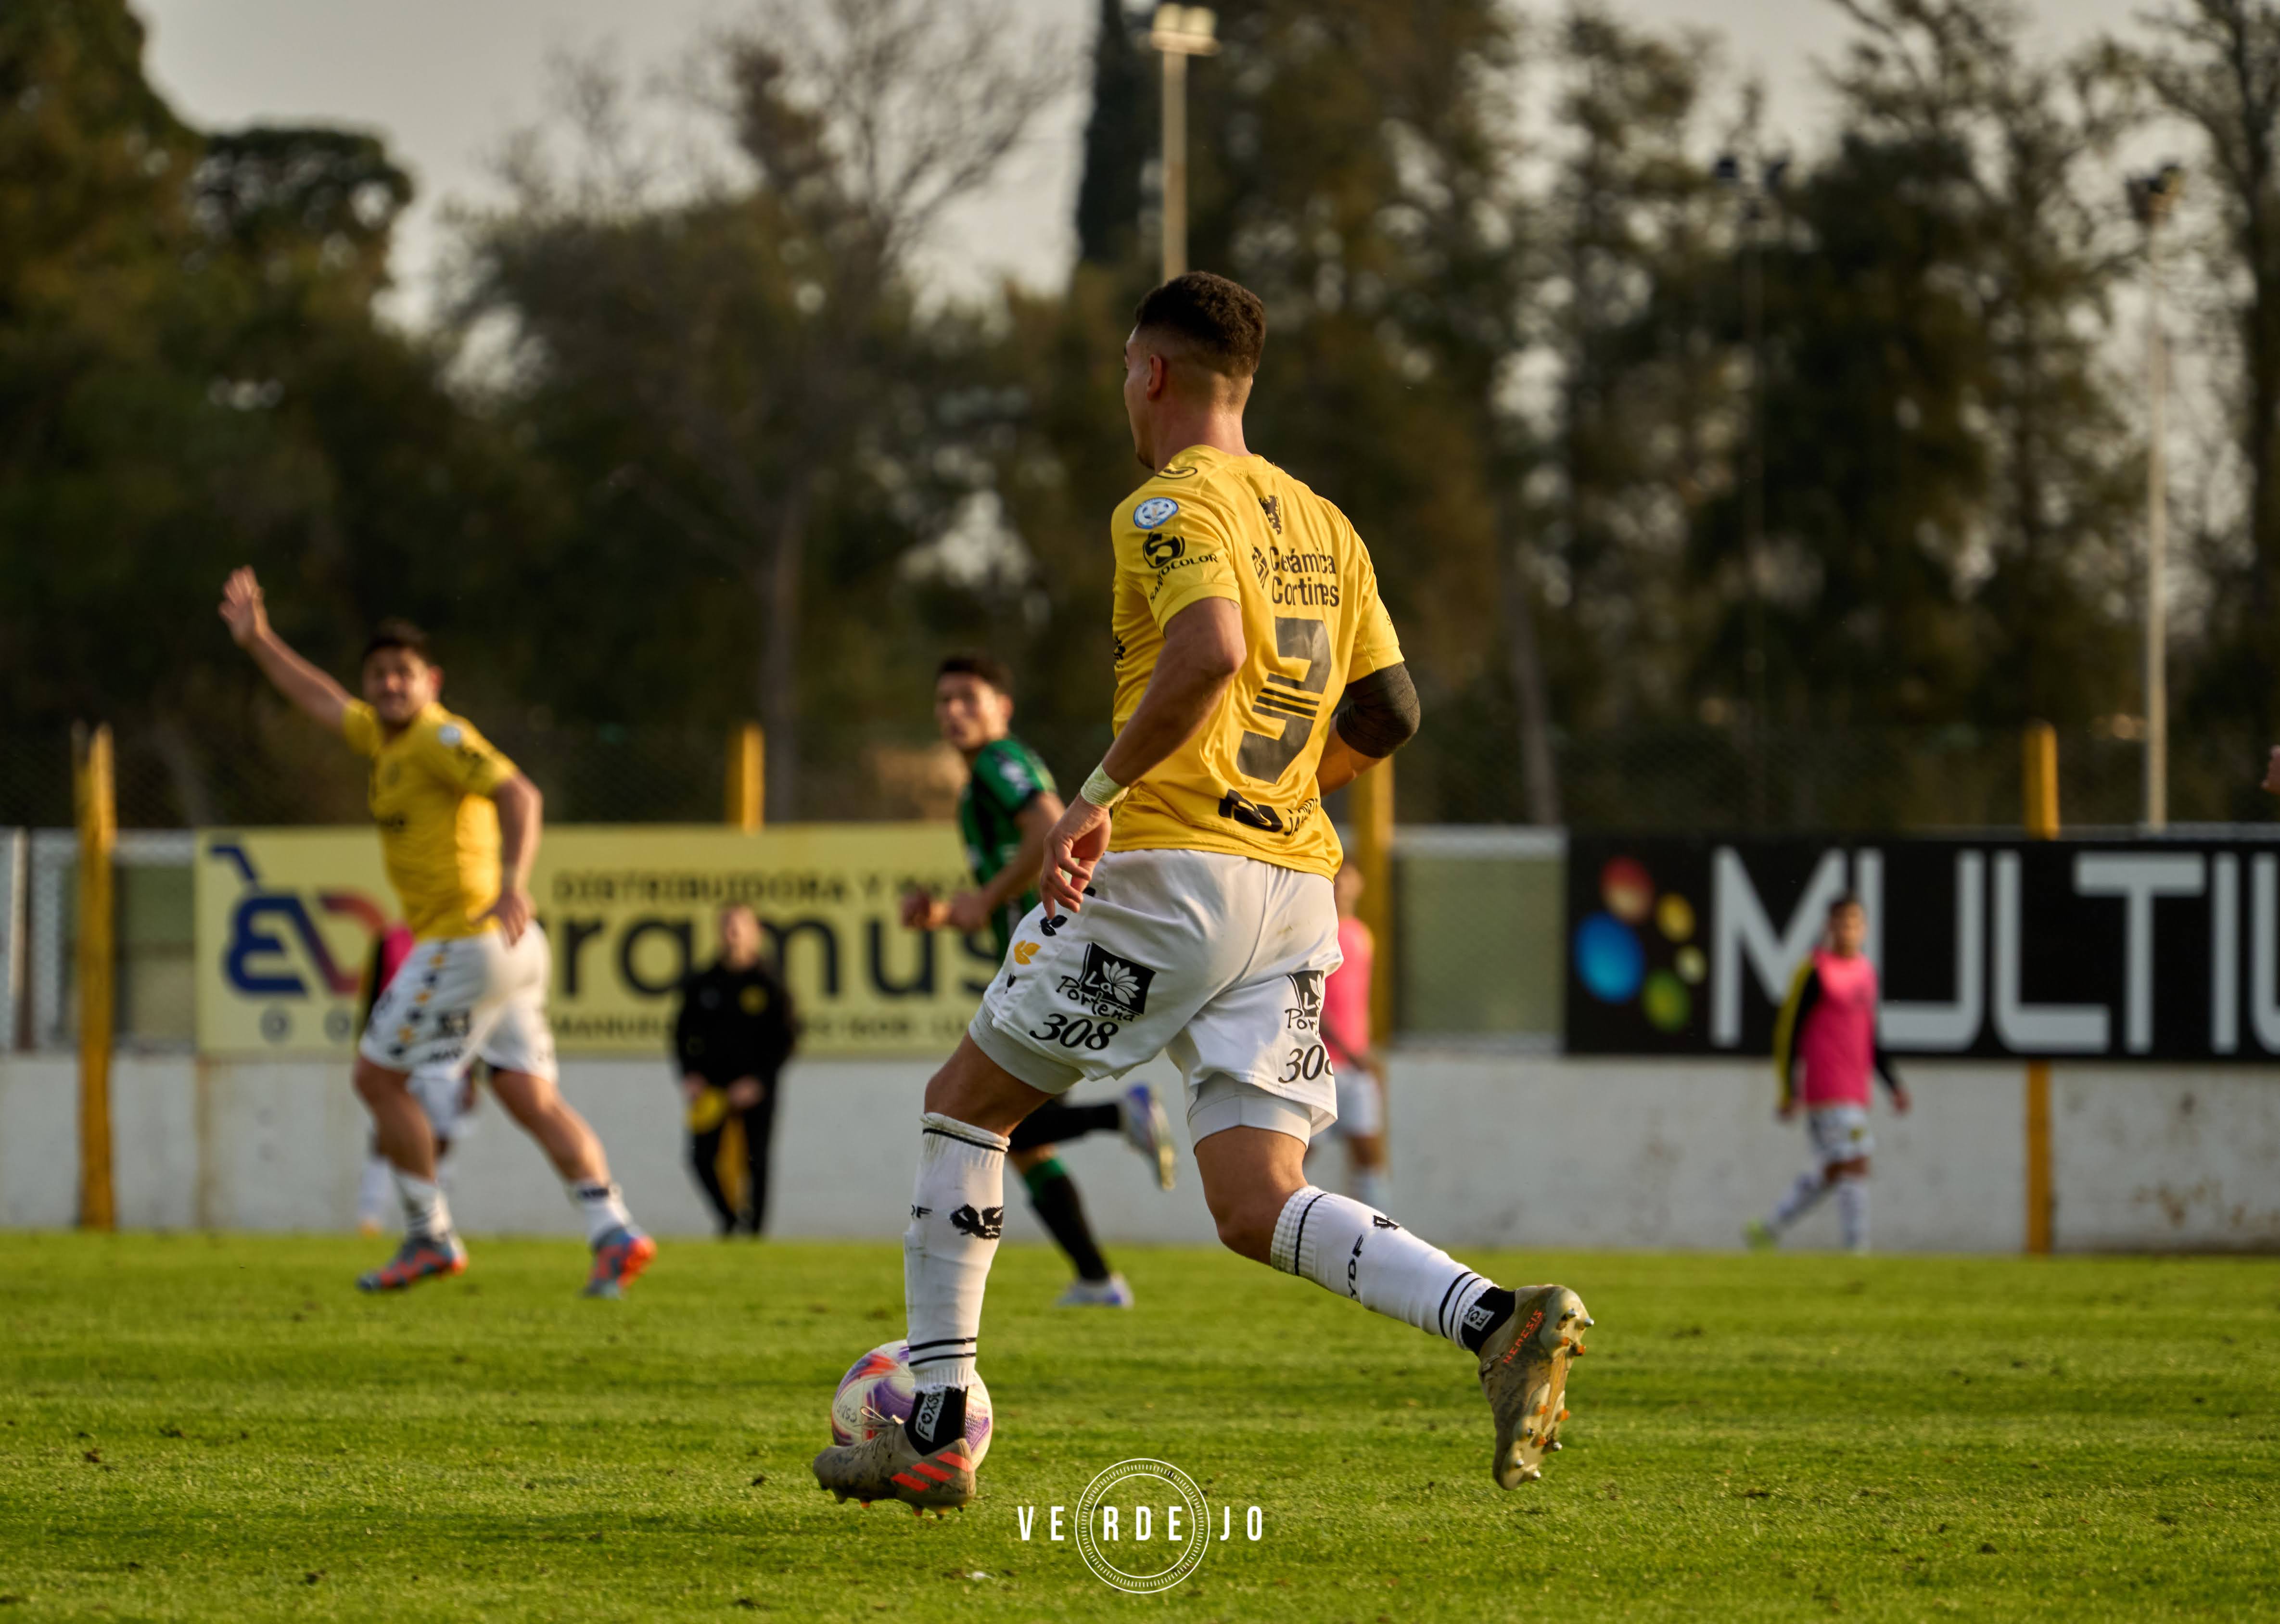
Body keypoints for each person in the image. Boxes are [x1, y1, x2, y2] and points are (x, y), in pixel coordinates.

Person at [815, 272, 1592, 1514]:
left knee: (966, 1107)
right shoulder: (1326, 523)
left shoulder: (1167, 504)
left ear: (1153, 373)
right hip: (1290, 894)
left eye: (1126, 369)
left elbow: (1212, 649)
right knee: (1252, 1199)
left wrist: (1095, 793)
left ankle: (941, 1422)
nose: (1124, 390)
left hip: (1169, 872)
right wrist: (1289, 793)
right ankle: (1496, 1321)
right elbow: (1390, 711)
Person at [218, 570, 655, 1298]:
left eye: (403, 673)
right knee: (526, 1094)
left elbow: (520, 792)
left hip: (467, 938)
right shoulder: (383, 738)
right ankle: (613, 1229)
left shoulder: (436, 737)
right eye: (379, 675)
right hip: (512, 950)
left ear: (432, 680)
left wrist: (515, 879)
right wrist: (259, 639)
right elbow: (320, 699)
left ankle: (429, 1236)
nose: (389, 686)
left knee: (375, 1078)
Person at [898, 654, 1177, 1309]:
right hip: (1032, 958)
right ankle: (1095, 1280)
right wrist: (951, 912)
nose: (953, 711)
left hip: (1049, 957)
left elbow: (1053, 824)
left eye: (969, 696)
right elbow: (1011, 880)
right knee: (1017, 1139)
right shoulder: (977, 786)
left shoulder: (999, 764)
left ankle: (1119, 1115)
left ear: (1003, 707)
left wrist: (989, 893)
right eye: (943, 700)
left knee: (974, 1115)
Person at [1747, 892, 1911, 1255]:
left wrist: (1893, 1084)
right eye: (1840, 922)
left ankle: (1770, 1226)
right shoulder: (1815, 971)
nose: (1847, 930)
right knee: (1856, 1159)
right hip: (1826, 1085)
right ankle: (1857, 1249)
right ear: (1828, 927)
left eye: (1853, 922)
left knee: (1836, 1167)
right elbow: (1787, 1032)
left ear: (1864, 929)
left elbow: (1872, 1037)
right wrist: (1787, 1089)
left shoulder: (1866, 973)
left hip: (1856, 1088)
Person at [673, 904, 797, 1236]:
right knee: (700, 1158)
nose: (733, 934)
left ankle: (755, 1231)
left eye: (740, 927)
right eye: (727, 926)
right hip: (711, 1088)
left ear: (755, 933)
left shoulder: (770, 983)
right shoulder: (702, 981)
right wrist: (690, 1074)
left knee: (757, 1160)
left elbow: (787, 1039)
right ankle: (728, 1219)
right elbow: (682, 1035)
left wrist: (759, 1081)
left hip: (755, 1087)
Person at [1319, 862, 1389, 1208]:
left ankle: (1381, 1233)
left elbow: (1359, 1002)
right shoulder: (1316, 932)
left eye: (1348, 878)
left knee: (1368, 1155)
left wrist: (1365, 1049)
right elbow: (1312, 1003)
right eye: (1336, 877)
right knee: (1295, 1152)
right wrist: (1351, 1049)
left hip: (1356, 1064)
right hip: (1319, 1061)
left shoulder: (1361, 935)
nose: (1342, 885)